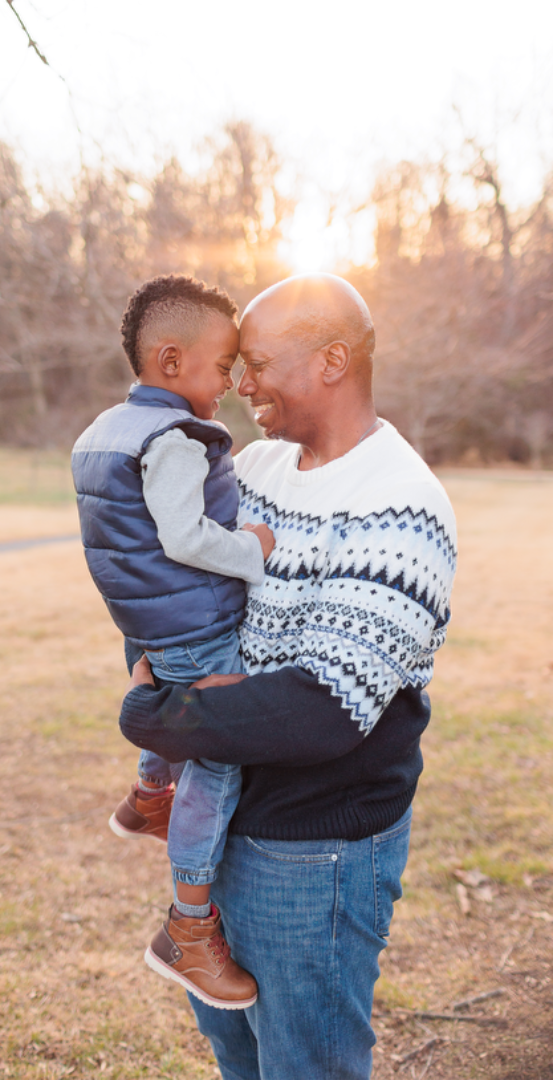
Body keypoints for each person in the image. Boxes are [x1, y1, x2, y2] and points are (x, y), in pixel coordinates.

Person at [119, 273, 458, 1080]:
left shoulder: (401, 503)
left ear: (332, 361)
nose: (240, 383)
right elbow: (182, 599)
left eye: (259, 362)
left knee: (305, 1065)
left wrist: (153, 713)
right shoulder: (254, 468)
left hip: (313, 850)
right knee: (236, 1051)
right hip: (224, 822)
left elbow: (322, 709)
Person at [71, 274, 275, 1010]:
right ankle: (188, 931)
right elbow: (185, 538)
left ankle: (146, 796)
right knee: (216, 768)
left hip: (145, 624)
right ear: (168, 361)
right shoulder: (176, 439)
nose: (233, 381)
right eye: (223, 366)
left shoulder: (101, 434)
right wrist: (251, 546)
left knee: (167, 709)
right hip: (193, 623)